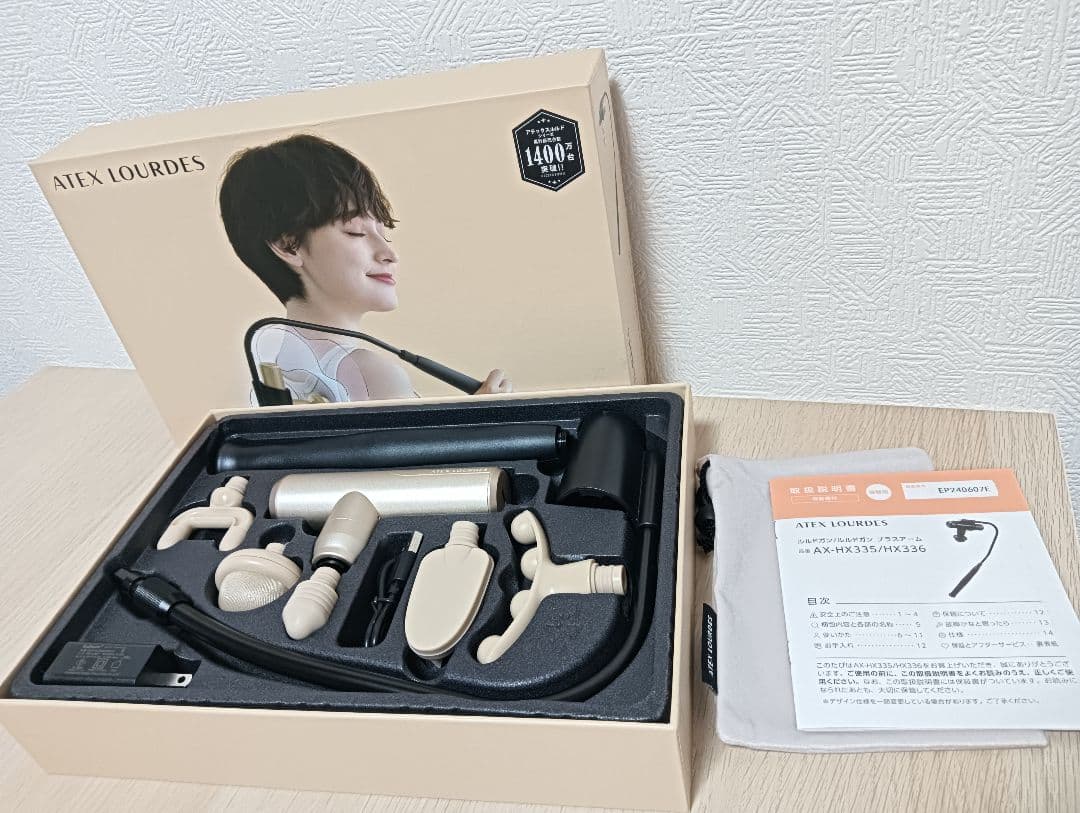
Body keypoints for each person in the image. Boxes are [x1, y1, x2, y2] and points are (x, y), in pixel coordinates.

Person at [219, 133, 510, 402]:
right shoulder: (368, 373)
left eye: (384, 234)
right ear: (289, 246)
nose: (389, 254)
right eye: (356, 231)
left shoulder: (274, 371)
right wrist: (486, 424)